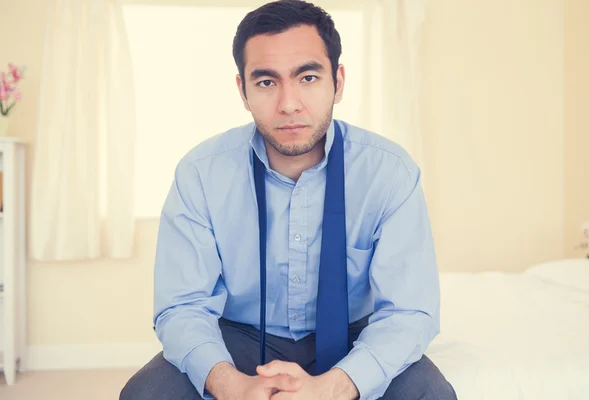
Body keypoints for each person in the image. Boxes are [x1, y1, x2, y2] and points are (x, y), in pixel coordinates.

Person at [120, 0, 457, 399]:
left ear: (339, 81)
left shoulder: (390, 172)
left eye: (308, 77)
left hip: (355, 336)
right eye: (266, 82)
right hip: (239, 338)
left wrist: (333, 388)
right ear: (242, 91)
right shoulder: (200, 173)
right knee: (146, 394)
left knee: (429, 394)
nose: (289, 103)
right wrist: (231, 385)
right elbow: (182, 306)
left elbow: (408, 311)